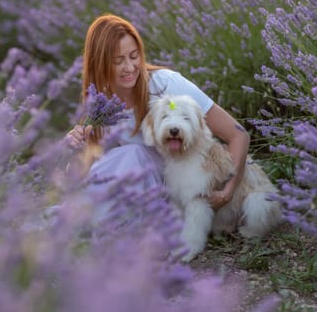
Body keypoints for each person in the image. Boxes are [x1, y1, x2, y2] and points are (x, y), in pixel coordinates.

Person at [65, 13, 250, 211]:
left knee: (133, 154)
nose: (129, 67)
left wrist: (226, 193)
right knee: (125, 156)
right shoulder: (101, 104)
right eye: (118, 61)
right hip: (140, 194)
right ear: (99, 63)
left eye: (134, 56)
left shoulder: (166, 85)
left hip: (178, 194)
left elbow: (238, 134)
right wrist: (77, 149)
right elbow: (92, 174)